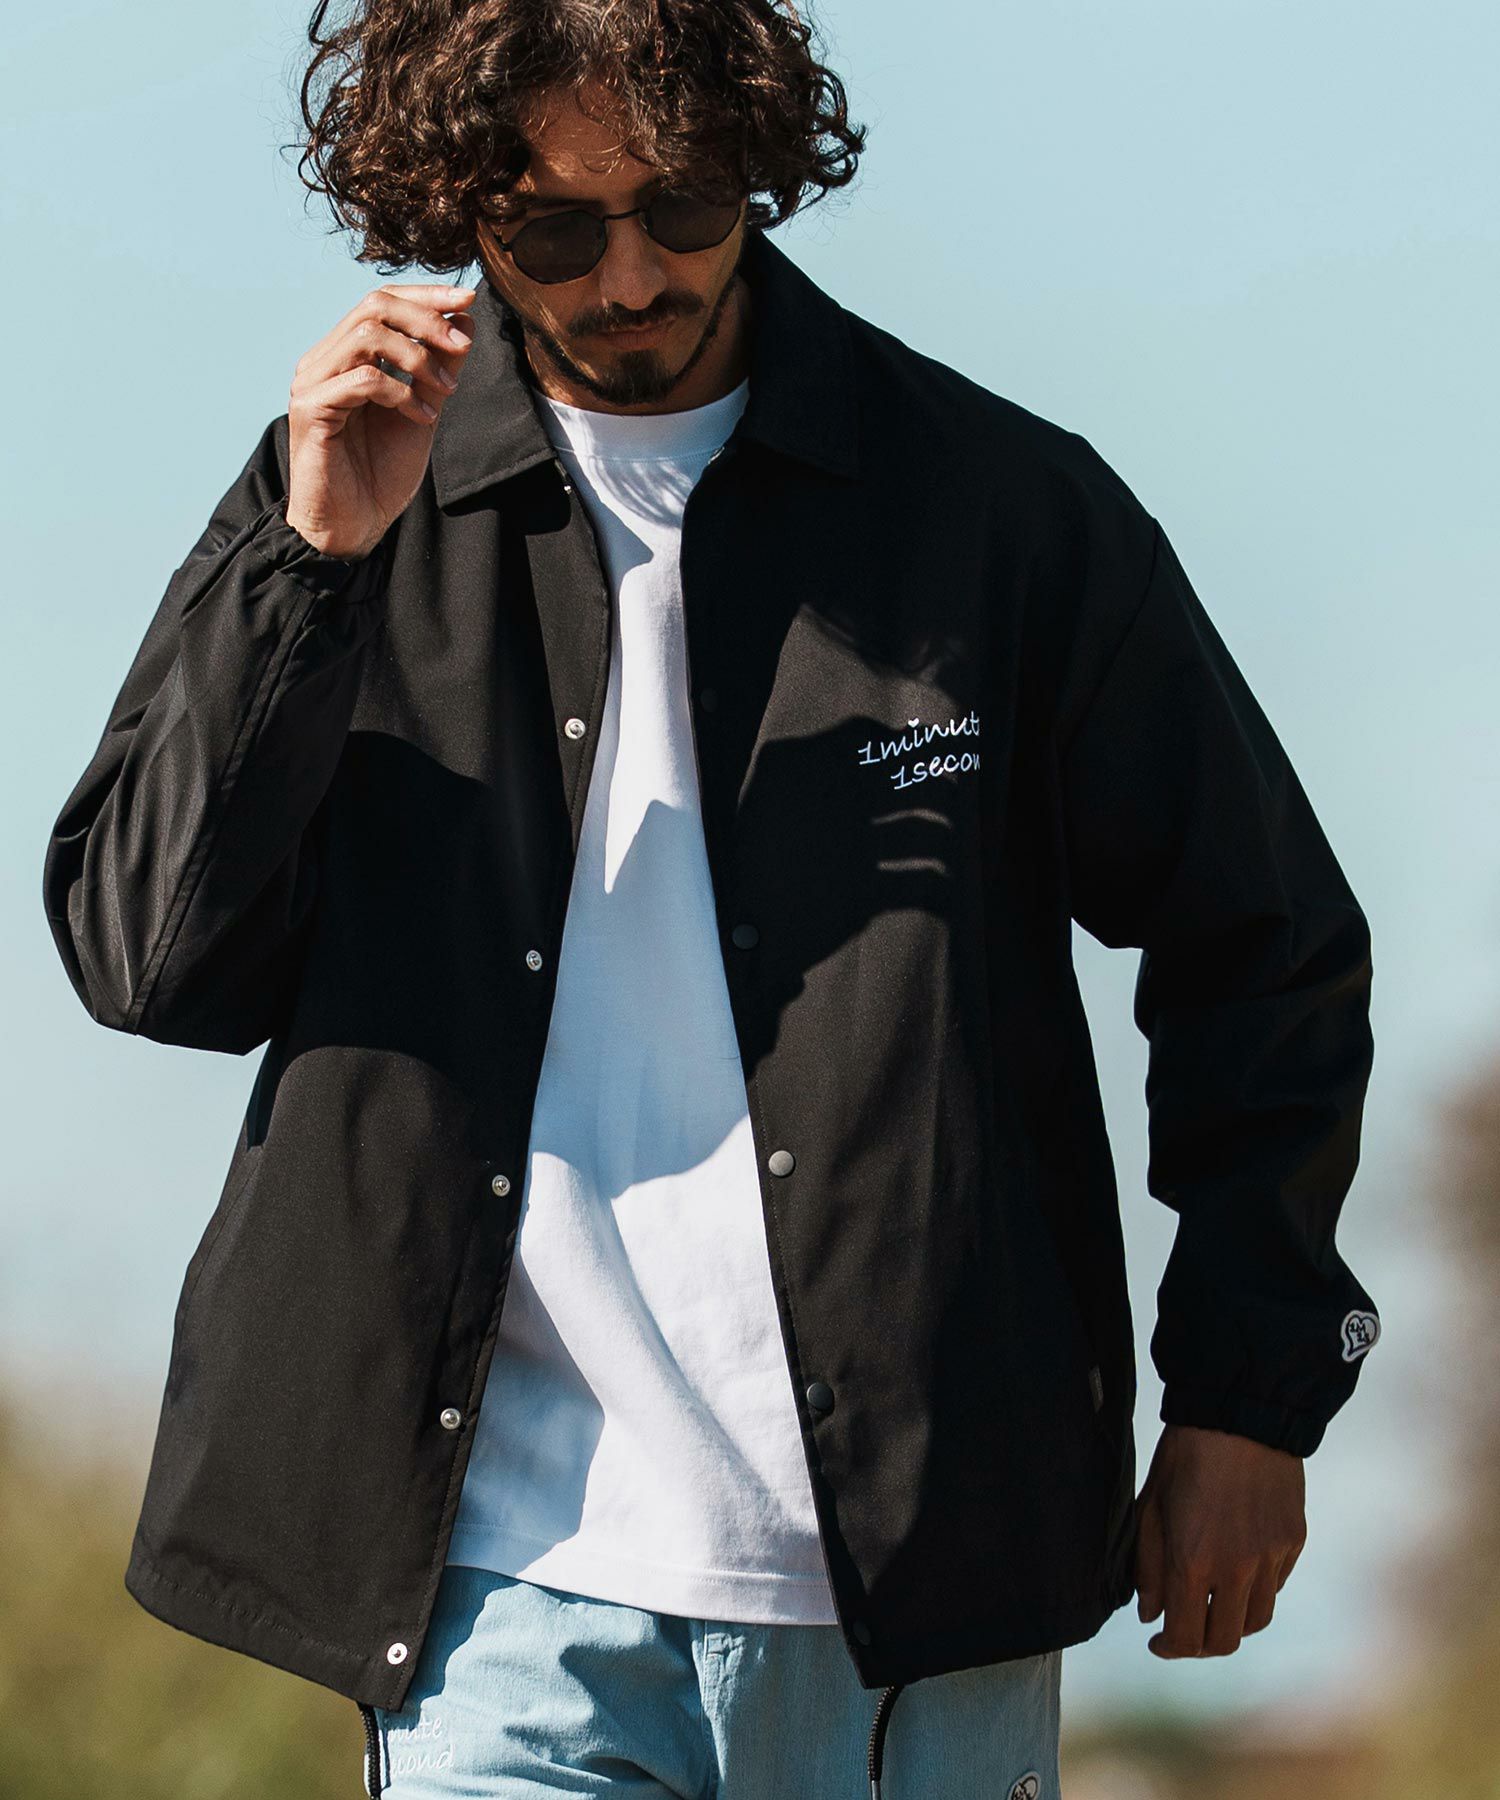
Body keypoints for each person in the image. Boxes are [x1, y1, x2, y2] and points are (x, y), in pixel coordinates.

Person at [41, 2, 1380, 1796]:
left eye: (681, 206)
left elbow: (1265, 945)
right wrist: (311, 570)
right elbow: (147, 959)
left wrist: (1246, 1393)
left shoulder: (997, 510)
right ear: (457, 209)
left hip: (924, 1591)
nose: (630, 276)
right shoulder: (347, 497)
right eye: (554, 231)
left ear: (754, 165)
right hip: (500, 1601)